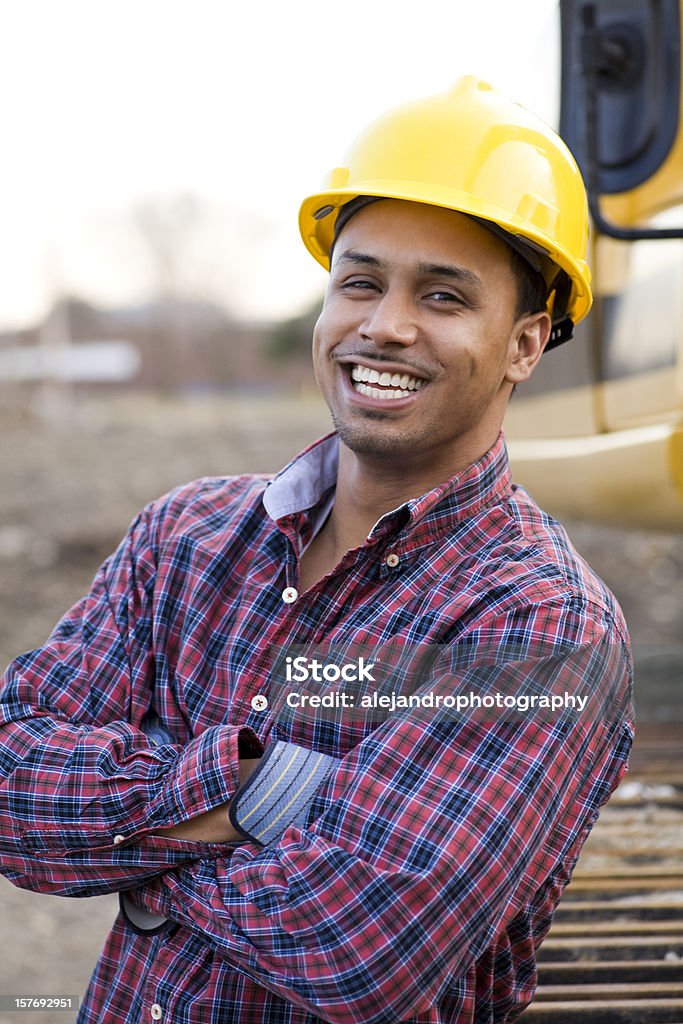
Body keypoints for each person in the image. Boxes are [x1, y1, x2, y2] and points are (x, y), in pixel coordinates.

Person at [0, 77, 633, 1024]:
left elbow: (359, 950)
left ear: (524, 345)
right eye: (361, 281)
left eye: (444, 296)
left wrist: (137, 862)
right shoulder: (185, 539)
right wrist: (256, 789)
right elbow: (11, 785)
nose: (383, 324)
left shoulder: (538, 624)